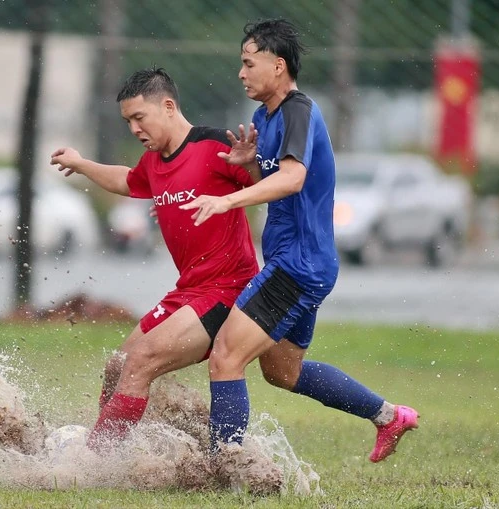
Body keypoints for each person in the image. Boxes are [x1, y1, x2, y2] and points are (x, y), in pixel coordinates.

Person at [180, 18, 419, 463]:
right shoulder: (263, 117)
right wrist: (250, 167)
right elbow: (277, 182)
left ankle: (227, 467)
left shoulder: (297, 111)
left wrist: (228, 201)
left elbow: (292, 180)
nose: (241, 73)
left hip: (298, 264)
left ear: (278, 65)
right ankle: (389, 416)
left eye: (249, 63)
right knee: (282, 372)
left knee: (226, 357)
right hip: (299, 262)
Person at [50, 67, 262, 449]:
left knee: (141, 362)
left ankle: (98, 460)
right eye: (128, 121)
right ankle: (120, 445)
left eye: (138, 117)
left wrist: (250, 166)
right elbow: (127, 180)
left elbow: (270, 189)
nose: (134, 128)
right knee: (118, 366)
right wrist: (81, 164)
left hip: (228, 291)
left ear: (167, 106)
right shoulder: (154, 161)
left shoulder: (215, 146)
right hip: (189, 291)